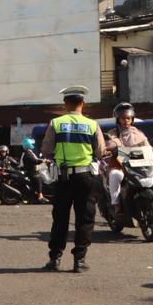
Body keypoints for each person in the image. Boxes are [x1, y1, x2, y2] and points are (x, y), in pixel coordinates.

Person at [40, 85, 105, 273]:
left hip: (63, 177)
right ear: (83, 103)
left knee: (60, 218)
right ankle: (79, 260)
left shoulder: (56, 123)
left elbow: (46, 150)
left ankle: (55, 259)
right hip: (86, 177)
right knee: (84, 218)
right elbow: (100, 151)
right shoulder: (93, 125)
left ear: (65, 103)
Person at [103, 103, 153, 214]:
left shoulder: (138, 133)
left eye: (128, 118)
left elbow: (147, 146)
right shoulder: (113, 133)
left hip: (138, 166)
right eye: (123, 118)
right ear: (118, 119)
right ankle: (116, 204)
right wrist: (111, 148)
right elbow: (109, 144)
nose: (126, 121)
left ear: (132, 119)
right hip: (119, 165)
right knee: (115, 175)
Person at [19, 137, 45, 201]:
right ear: (28, 144)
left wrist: (42, 160)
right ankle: (40, 195)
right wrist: (43, 161)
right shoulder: (27, 153)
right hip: (30, 171)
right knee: (39, 179)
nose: (33, 145)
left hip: (31, 170)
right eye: (32, 143)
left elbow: (35, 159)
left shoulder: (28, 152)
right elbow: (34, 161)